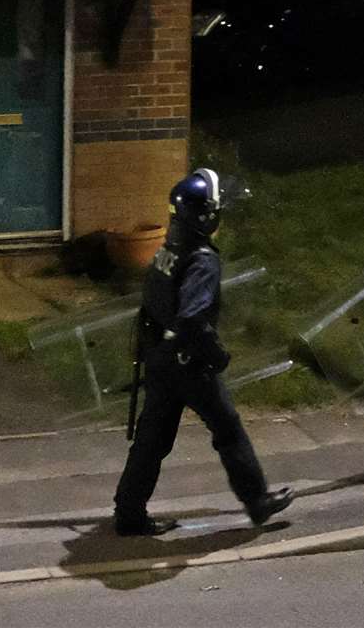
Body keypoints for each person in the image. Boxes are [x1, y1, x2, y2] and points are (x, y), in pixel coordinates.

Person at [113, 169, 292, 536]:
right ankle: (257, 502)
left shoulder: (169, 248)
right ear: (206, 216)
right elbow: (193, 316)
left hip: (160, 356)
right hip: (189, 362)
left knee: (152, 440)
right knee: (228, 430)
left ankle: (129, 513)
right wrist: (216, 355)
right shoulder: (202, 259)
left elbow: (153, 301)